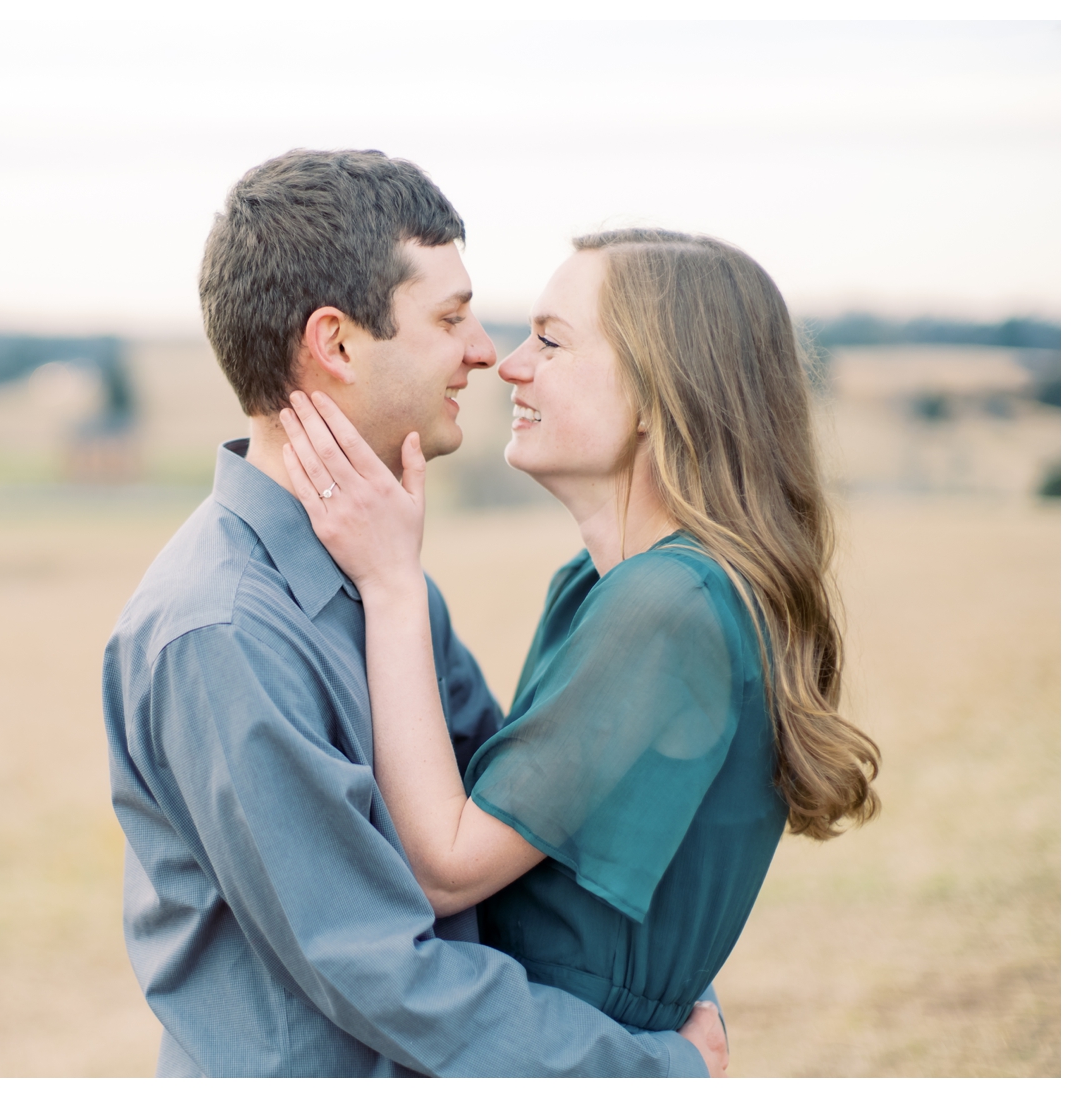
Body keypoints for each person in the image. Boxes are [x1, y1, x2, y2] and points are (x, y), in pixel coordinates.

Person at [101, 152, 727, 1077]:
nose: (485, 350)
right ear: (338, 344)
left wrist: (669, 985)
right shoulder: (224, 631)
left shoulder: (378, 571)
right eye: (450, 317)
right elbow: (381, 972)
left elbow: (510, 820)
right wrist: (653, 1069)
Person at [279, 228, 882, 1046]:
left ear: (660, 393)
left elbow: (447, 866)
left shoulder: (671, 604)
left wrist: (390, 581)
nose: (510, 363)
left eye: (551, 342)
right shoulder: (601, 588)